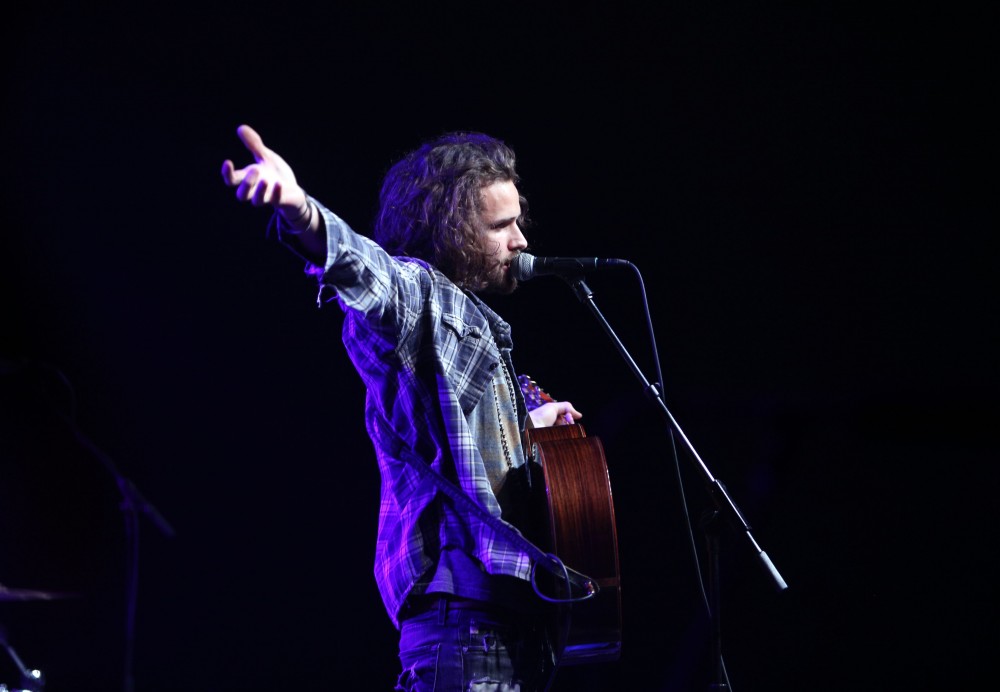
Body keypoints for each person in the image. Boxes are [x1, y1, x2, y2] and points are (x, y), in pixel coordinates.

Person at [221, 124, 583, 691]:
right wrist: (300, 211)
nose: (521, 241)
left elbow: (464, 445)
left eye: (518, 221)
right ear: (453, 233)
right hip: (466, 627)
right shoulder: (419, 296)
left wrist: (528, 431)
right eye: (500, 226)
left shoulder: (474, 329)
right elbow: (372, 275)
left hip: (504, 628)